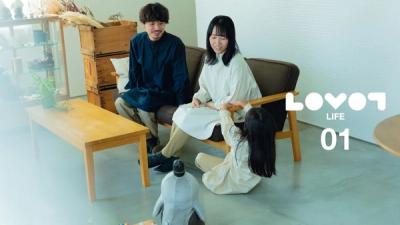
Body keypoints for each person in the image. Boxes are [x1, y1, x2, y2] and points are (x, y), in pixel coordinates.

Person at [147, 15, 261, 172]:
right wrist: (198, 99)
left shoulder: (237, 62)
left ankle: (164, 155)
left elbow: (236, 100)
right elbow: (205, 88)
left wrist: (211, 105)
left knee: (190, 116)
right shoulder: (211, 58)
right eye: (213, 37)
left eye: (222, 38)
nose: (217, 42)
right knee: (183, 110)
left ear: (230, 38)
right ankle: (172, 157)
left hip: (237, 112)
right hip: (218, 106)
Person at [115, 2, 190, 153]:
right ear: (144, 24)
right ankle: (148, 138)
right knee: (120, 103)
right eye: (152, 23)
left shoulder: (175, 44)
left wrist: (183, 105)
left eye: (161, 23)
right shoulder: (136, 42)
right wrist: (134, 93)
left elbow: (180, 76)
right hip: (145, 91)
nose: (157, 28)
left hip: (167, 93)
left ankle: (152, 142)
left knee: (144, 104)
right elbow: (134, 71)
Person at [196, 101, 277, 194]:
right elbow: (259, 122)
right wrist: (246, 106)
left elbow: (227, 127)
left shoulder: (239, 142)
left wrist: (223, 110)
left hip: (235, 181)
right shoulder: (267, 141)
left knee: (199, 158)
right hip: (251, 180)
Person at [153, 159, 205, 225]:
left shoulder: (166, 180)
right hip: (174, 217)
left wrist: (155, 212)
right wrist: (203, 218)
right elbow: (197, 204)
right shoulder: (192, 181)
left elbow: (161, 200)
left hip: (173, 218)